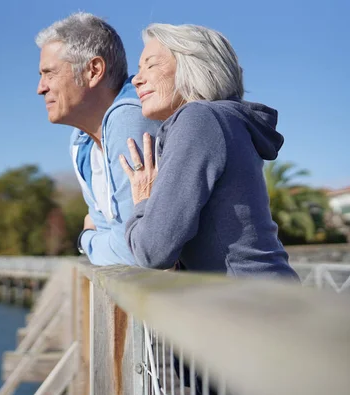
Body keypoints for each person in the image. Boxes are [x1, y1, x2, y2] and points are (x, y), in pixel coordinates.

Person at [119, 23, 299, 279]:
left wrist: (143, 199)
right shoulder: (221, 121)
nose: (136, 79)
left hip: (250, 308)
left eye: (151, 65)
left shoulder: (199, 118)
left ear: (194, 66)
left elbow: (152, 251)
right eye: (138, 69)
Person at [36, 13, 161, 266]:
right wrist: (100, 238)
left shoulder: (129, 115)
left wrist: (85, 240)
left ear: (93, 70)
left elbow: (133, 252)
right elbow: (113, 234)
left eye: (49, 74)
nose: (41, 87)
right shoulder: (80, 142)